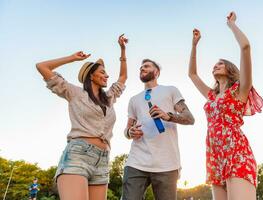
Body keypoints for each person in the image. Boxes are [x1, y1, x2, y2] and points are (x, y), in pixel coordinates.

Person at [36, 34, 128, 200]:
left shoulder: (108, 99)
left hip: (103, 160)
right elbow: (42, 66)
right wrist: (72, 58)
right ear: (91, 76)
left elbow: (122, 78)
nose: (107, 76)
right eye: (102, 72)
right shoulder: (75, 93)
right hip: (78, 155)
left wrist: (122, 50)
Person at [188, 12, 263, 200]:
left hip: (237, 153)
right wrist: (194, 45)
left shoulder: (240, 90)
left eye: (220, 63)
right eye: (214, 64)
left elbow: (245, 47)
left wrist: (231, 24)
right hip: (215, 155)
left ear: (230, 69)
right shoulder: (212, 96)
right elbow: (192, 75)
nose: (215, 65)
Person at [122, 59, 195, 200]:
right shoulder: (134, 99)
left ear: (157, 72)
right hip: (136, 162)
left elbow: (190, 118)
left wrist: (168, 116)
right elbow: (127, 130)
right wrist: (130, 132)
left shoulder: (170, 90)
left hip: (167, 163)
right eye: (141, 67)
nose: (142, 68)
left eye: (147, 66)